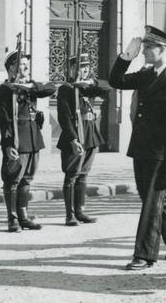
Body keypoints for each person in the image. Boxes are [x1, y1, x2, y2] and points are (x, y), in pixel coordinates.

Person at [109, 25, 166, 271]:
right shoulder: (146, 74)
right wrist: (127, 56)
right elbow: (116, 80)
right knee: (149, 197)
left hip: (165, 151)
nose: (145, 51)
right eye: (144, 47)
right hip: (142, 147)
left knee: (152, 201)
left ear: (163, 49)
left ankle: (145, 255)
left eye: (148, 48)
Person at [0, 49, 57, 232]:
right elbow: (2, 120)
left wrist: (28, 87)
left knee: (27, 179)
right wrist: (7, 145)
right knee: (13, 179)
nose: (25, 69)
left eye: (26, 65)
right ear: (11, 69)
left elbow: (50, 88)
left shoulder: (30, 87)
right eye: (21, 65)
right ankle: (12, 218)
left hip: (33, 137)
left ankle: (24, 216)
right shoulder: (5, 90)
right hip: (17, 140)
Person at [56, 53, 111, 226]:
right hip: (75, 136)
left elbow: (107, 88)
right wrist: (73, 139)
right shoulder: (66, 89)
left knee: (83, 175)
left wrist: (90, 83)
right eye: (81, 66)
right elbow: (64, 116)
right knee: (72, 175)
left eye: (87, 66)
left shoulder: (88, 86)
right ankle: (69, 214)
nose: (85, 70)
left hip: (90, 135)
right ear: (72, 69)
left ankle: (80, 211)